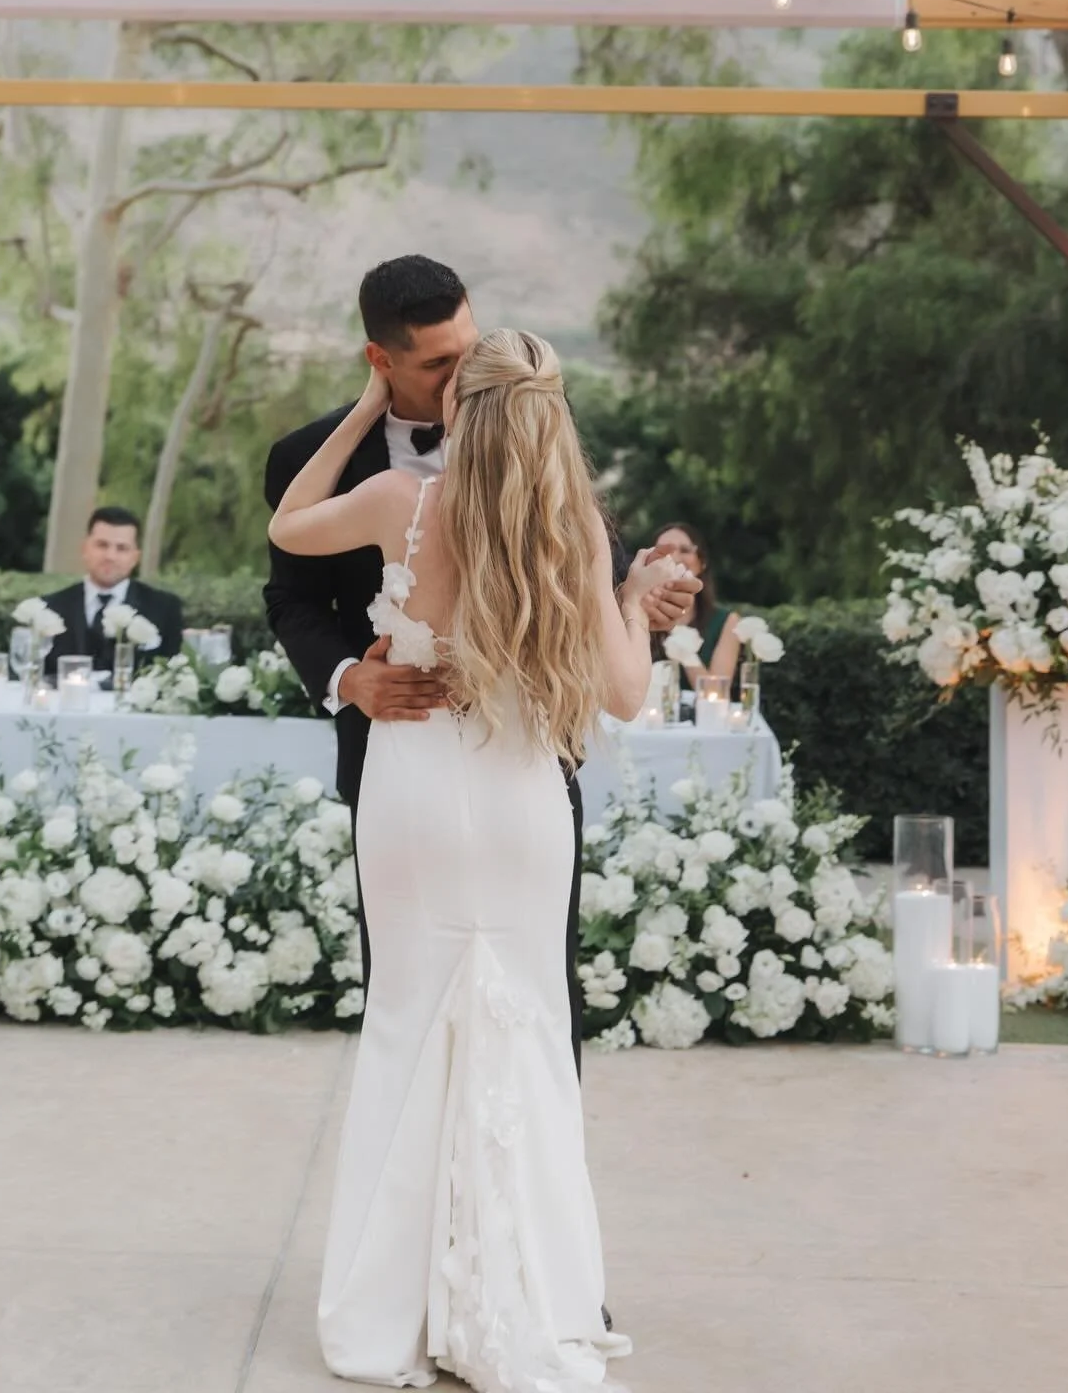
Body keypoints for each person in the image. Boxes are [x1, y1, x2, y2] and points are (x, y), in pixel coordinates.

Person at [269, 328, 655, 1392]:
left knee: (407, 1024)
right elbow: (627, 697)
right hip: (525, 800)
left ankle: (388, 1312)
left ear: (466, 413)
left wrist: (360, 408)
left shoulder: (403, 501)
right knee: (526, 1028)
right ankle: (524, 1296)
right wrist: (630, 605)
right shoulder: (573, 528)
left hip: (414, 793)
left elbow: (288, 526)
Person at [262, 255, 695, 1043]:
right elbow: (290, 597)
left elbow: (579, 573)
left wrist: (640, 589)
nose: (467, 376)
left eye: (470, 349)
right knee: (409, 990)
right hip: (402, 755)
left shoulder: (500, 439)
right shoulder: (310, 456)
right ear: (380, 359)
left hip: (527, 759)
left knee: (538, 993)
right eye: (440, 363)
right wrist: (350, 676)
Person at [42, 506, 183, 679]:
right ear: (85, 549)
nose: (110, 556)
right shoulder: (50, 608)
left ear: (135, 557)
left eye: (122, 548)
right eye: (102, 545)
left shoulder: (164, 609)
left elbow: (171, 675)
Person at [651, 520, 738, 685]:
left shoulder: (726, 621)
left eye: (685, 550)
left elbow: (716, 692)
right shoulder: (635, 616)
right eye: (663, 551)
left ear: (702, 563)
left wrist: (681, 644)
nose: (675, 558)